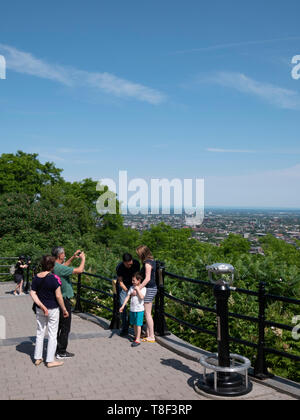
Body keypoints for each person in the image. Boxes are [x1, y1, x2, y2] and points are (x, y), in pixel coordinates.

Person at [30, 255, 69, 368]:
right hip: (52, 309)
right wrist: (64, 309)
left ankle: (38, 358)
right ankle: (50, 360)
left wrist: (42, 306)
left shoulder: (36, 277)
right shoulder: (54, 278)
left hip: (40, 309)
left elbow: (32, 293)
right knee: (52, 334)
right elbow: (58, 296)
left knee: (40, 332)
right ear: (52, 266)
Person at [52, 247, 85, 359]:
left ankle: (55, 348)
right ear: (60, 255)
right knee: (65, 326)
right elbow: (79, 270)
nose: (64, 255)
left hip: (56, 299)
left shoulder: (54, 266)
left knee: (58, 325)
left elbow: (63, 266)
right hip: (63, 299)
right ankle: (61, 351)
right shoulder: (59, 268)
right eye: (64, 253)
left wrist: (72, 257)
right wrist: (83, 259)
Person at [136, 245, 157, 343]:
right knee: (147, 313)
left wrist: (138, 288)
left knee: (147, 313)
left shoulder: (147, 264)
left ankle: (152, 336)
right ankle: (148, 334)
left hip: (149, 288)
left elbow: (147, 278)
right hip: (151, 288)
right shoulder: (152, 261)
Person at [119, 272, 146, 347]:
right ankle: (135, 335)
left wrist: (137, 290)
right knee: (134, 323)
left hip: (139, 309)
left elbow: (142, 297)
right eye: (132, 280)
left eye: (134, 280)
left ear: (139, 280)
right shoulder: (131, 288)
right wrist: (123, 306)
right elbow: (127, 297)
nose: (132, 282)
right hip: (132, 309)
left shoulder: (143, 288)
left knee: (138, 324)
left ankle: (138, 339)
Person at [116, 253, 140, 336]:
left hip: (134, 285)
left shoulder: (136, 264)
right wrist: (128, 291)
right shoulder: (120, 267)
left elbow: (138, 277)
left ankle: (133, 326)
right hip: (124, 286)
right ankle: (124, 328)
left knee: (135, 305)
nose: (130, 265)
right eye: (128, 264)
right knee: (123, 305)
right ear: (124, 262)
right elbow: (120, 282)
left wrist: (136, 289)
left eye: (131, 263)